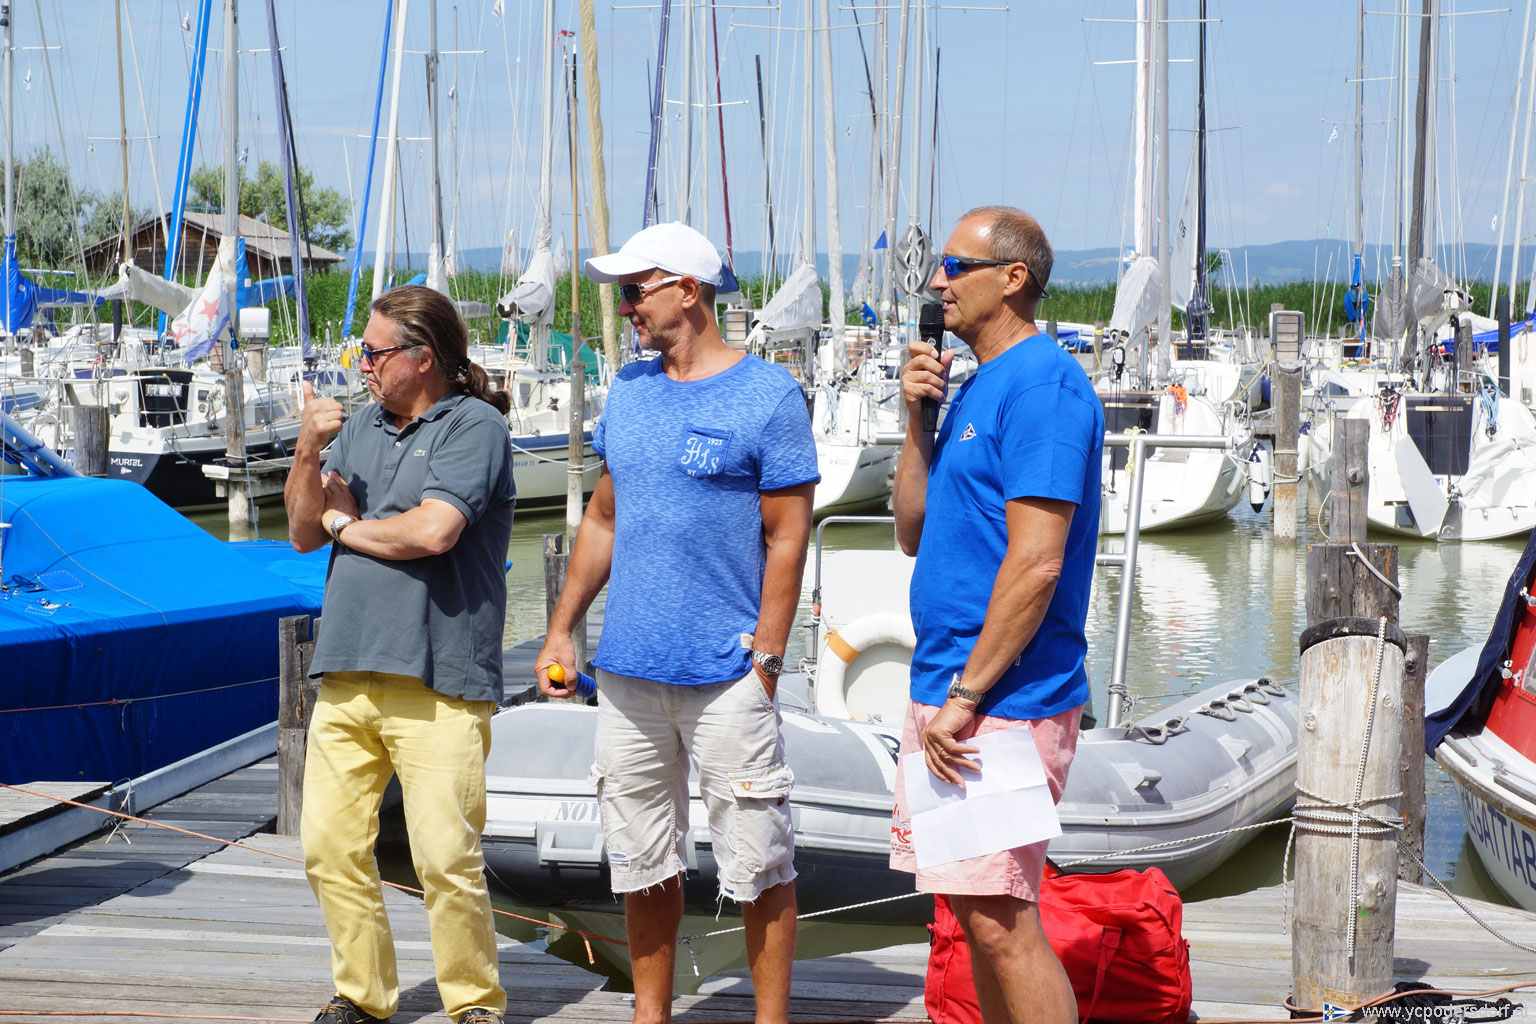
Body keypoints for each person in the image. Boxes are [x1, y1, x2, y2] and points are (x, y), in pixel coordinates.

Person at [535, 222, 819, 1024]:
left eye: (635, 291)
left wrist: (767, 661)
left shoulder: (769, 396)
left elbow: (788, 536)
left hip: (729, 674)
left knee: (759, 864)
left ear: (688, 291)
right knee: (640, 859)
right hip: (628, 674)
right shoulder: (629, 390)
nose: (625, 307)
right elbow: (603, 517)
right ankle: (649, 1016)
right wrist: (562, 630)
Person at [889, 206, 1104, 1024]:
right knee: (974, 918)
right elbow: (912, 530)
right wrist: (916, 421)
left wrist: (968, 696)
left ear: (1013, 279)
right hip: (951, 685)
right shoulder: (978, 383)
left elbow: (1038, 562)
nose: (935, 281)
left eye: (954, 265)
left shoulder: (1045, 387)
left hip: (1002, 700)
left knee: (1002, 919)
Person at [284, 285, 517, 1024]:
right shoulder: (358, 428)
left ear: (423, 357)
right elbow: (302, 532)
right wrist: (308, 451)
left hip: (440, 675)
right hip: (347, 667)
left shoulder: (475, 425)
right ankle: (362, 996)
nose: (363, 365)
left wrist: (347, 527)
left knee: (445, 858)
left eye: (374, 352)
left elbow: (432, 532)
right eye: (361, 352)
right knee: (328, 848)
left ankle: (474, 1003)